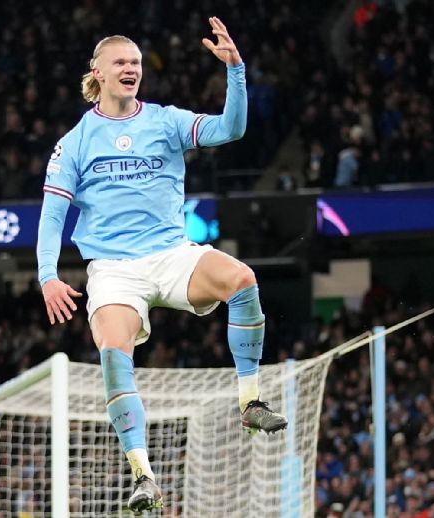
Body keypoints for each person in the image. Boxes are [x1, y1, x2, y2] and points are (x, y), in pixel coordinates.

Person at [35, 17, 286, 513]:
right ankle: (143, 476)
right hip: (113, 269)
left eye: (136, 63)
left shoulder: (166, 120)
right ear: (99, 74)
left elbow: (230, 129)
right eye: (121, 63)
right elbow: (53, 214)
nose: (131, 69)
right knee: (113, 351)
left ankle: (250, 402)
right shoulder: (74, 142)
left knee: (243, 280)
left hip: (172, 253)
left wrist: (236, 71)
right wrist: (47, 276)